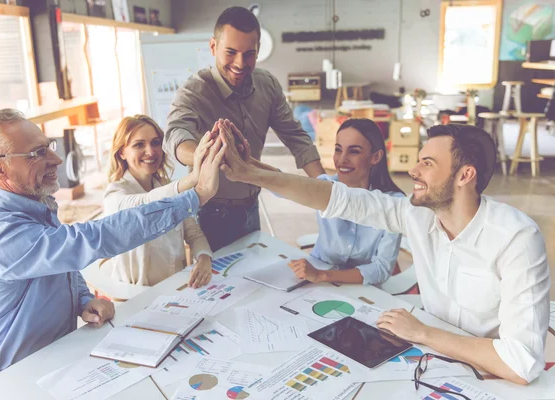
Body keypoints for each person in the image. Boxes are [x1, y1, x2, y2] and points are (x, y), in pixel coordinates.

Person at [219, 121, 549, 385]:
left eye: (428, 163)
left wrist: (422, 332)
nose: (415, 171)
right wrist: (251, 172)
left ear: (465, 175)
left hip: (486, 373)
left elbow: (521, 363)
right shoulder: (418, 215)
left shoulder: (516, 238)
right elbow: (336, 198)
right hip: (427, 359)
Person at [0, 109, 224, 380]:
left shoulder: (38, 206)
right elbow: (90, 239)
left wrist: (83, 300)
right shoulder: (1, 236)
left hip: (53, 357)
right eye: (37, 154)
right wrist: (196, 195)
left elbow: (62, 264)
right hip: (10, 378)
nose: (56, 160)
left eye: (48, 148)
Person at [164, 6, 325, 251]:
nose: (240, 63)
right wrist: (206, 155)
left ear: (258, 51)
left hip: (252, 205)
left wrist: (326, 189)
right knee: (218, 283)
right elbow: (175, 135)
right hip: (211, 213)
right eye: (231, 52)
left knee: (252, 274)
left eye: (249, 54)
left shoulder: (267, 84)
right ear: (213, 47)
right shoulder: (193, 91)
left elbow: (296, 136)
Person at [287, 119, 404, 285]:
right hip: (314, 277)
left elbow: (381, 269)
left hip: (356, 287)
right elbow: (282, 185)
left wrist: (323, 275)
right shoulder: (325, 187)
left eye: (354, 151)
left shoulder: (394, 204)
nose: (341, 160)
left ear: (376, 156)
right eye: (338, 150)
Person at [104, 115, 212, 288]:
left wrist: (204, 258)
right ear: (122, 152)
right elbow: (146, 204)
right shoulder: (114, 194)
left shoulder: (166, 185)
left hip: (177, 288)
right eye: (139, 145)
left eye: (155, 143)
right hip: (135, 297)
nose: (150, 151)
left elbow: (193, 233)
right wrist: (193, 178)